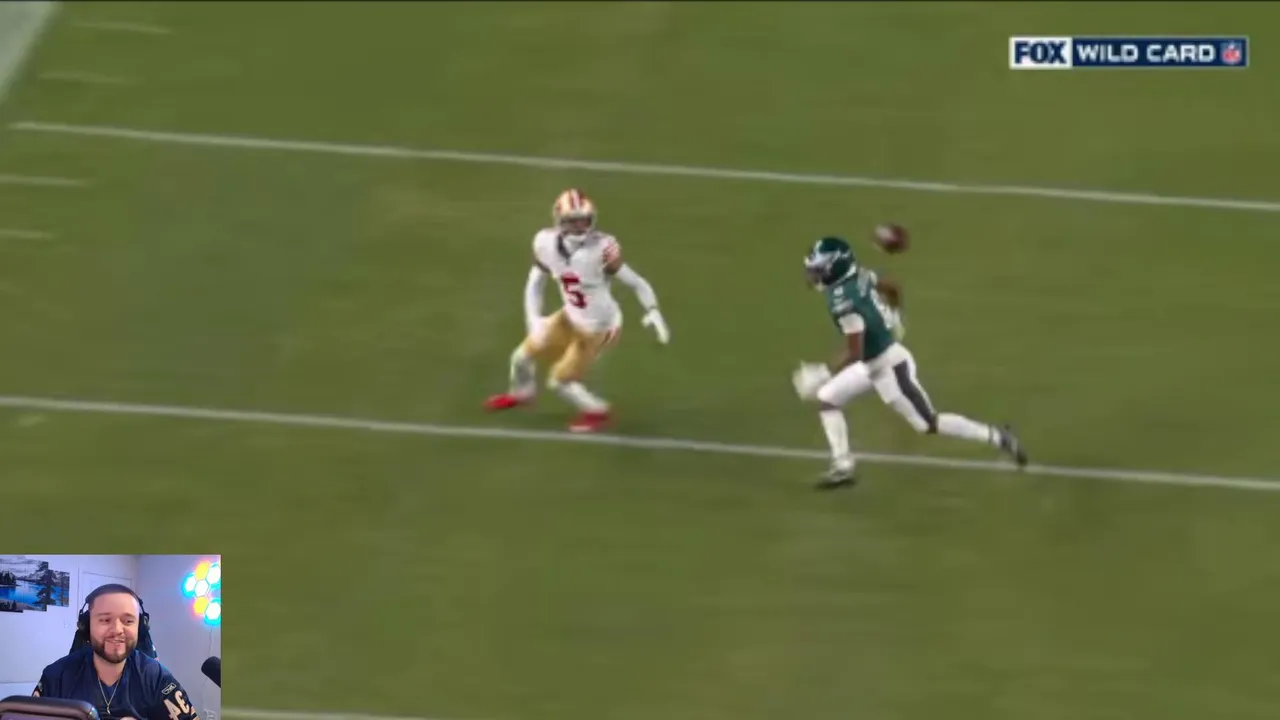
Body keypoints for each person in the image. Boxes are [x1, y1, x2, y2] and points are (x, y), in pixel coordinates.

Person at [795, 236, 1028, 489]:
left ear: (833, 268)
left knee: (928, 424)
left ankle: (998, 437)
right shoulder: (857, 275)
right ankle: (843, 467)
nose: (813, 274)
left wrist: (824, 372)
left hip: (889, 366)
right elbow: (892, 287)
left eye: (819, 269)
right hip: (871, 363)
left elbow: (855, 351)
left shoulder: (844, 303)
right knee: (828, 399)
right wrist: (896, 315)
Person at [485, 188, 670, 432]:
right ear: (559, 221)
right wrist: (533, 320)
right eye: (573, 221)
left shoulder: (601, 248)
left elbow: (636, 282)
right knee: (520, 358)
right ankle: (523, 393)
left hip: (599, 328)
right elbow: (535, 281)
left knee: (559, 381)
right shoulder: (545, 243)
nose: (580, 226)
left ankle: (598, 412)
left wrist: (653, 310)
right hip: (570, 316)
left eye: (584, 220)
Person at [32, 585, 200, 720]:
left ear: (140, 628)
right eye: (105, 620)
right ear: (87, 626)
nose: (117, 630)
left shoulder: (157, 677)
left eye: (128, 621)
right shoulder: (56, 677)